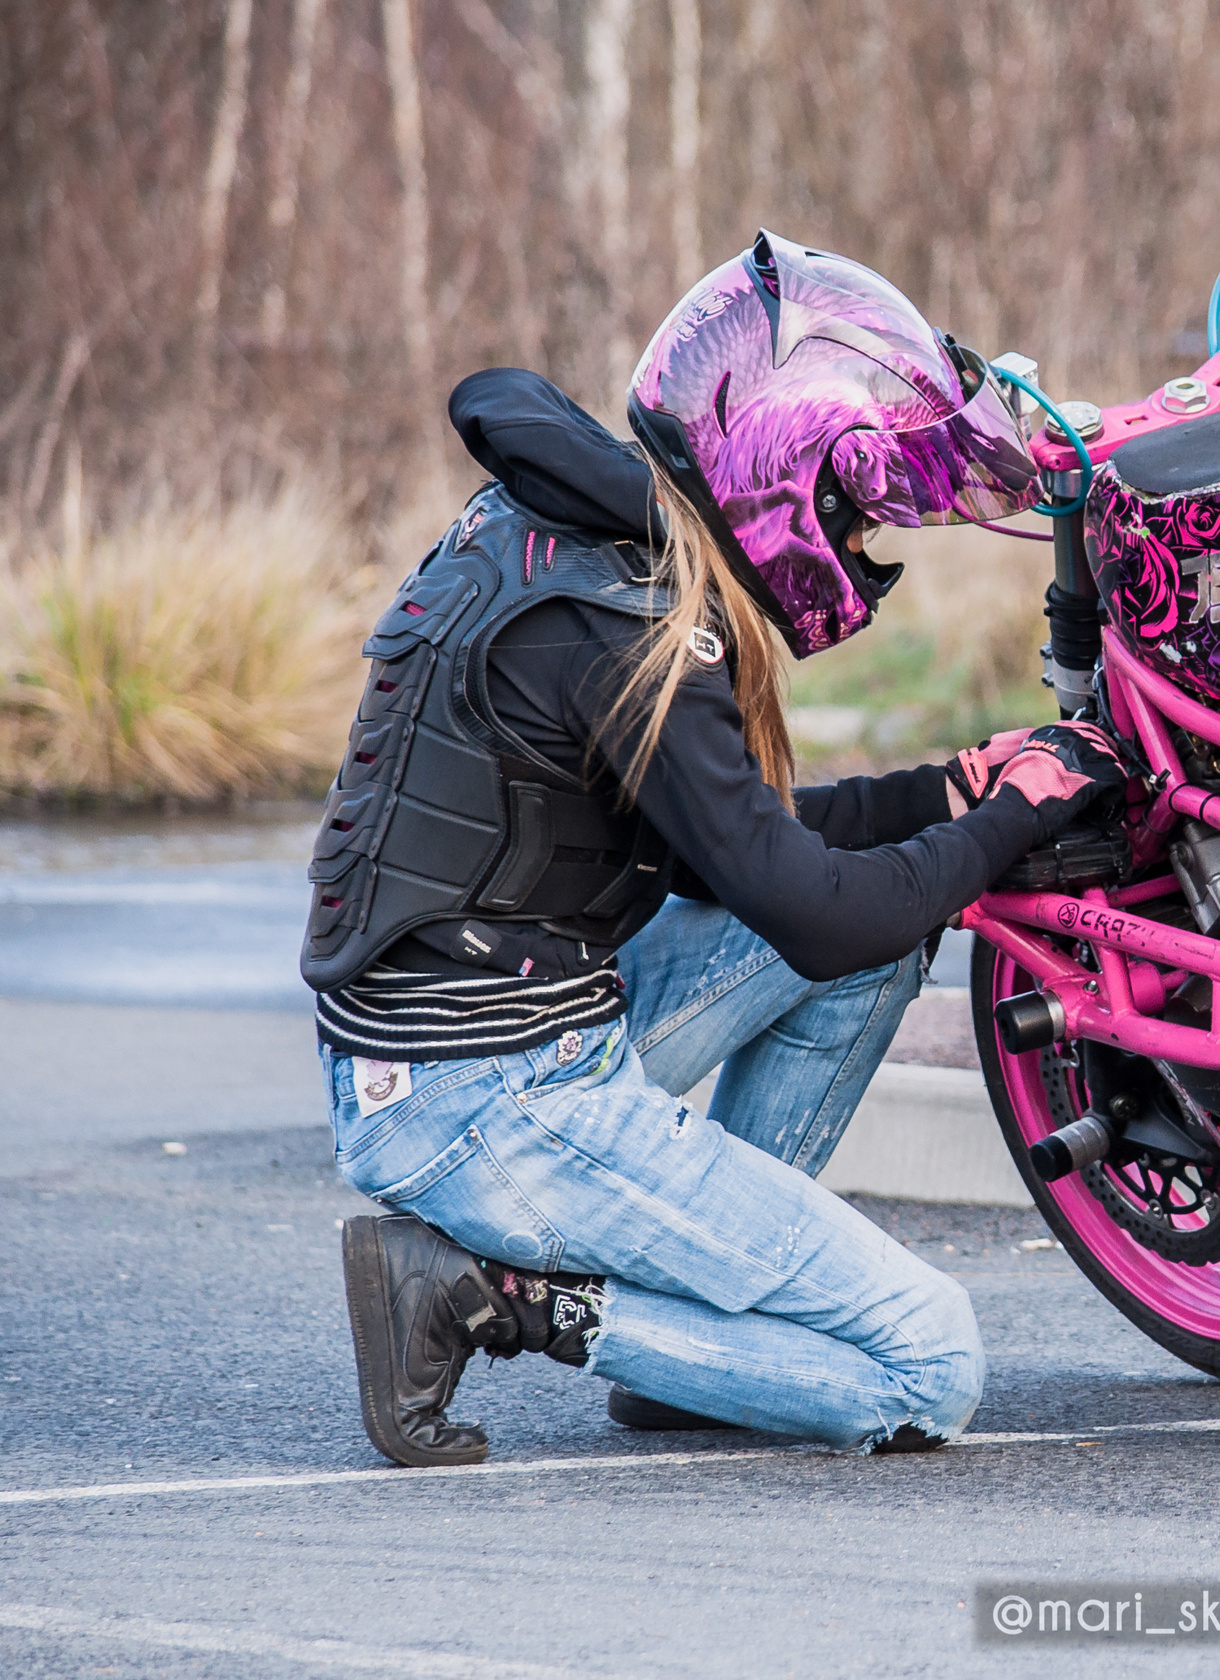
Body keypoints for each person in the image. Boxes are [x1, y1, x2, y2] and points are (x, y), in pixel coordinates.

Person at [307, 233, 1125, 1468]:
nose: (867, 553)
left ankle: (697, 1345)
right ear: (791, 479)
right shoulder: (643, 632)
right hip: (492, 1102)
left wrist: (947, 787)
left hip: (451, 1048)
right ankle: (501, 1297)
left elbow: (734, 854)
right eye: (863, 516)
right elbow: (822, 910)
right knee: (926, 1363)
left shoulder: (572, 540)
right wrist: (1010, 819)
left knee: (867, 954)